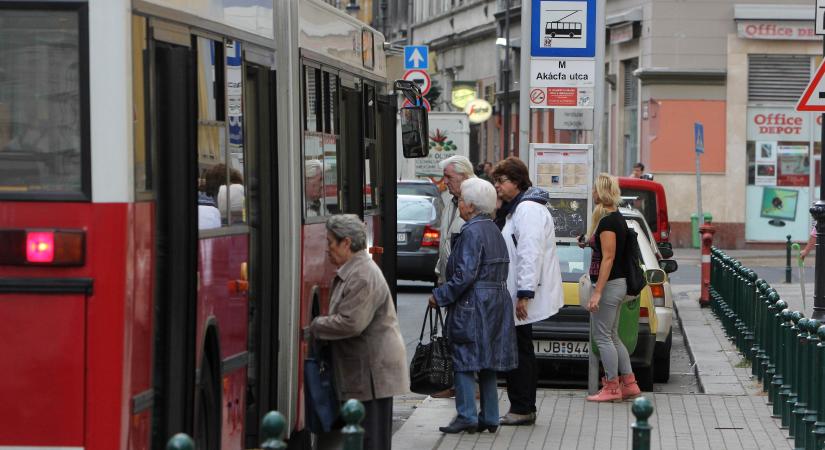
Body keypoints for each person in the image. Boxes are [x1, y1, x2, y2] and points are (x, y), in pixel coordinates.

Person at [309, 214, 409, 450]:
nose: (327, 249)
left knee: (370, 440)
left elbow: (352, 323)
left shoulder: (362, 274)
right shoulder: (354, 269)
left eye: (330, 242)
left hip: (371, 375)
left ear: (346, 243)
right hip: (363, 372)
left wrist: (316, 326)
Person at [427, 178, 518, 434]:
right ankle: (490, 416)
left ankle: (466, 414)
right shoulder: (493, 229)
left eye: (462, 201)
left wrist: (440, 295)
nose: (460, 204)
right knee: (487, 362)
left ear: (470, 205)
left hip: (473, 303)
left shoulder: (471, 232)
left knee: (464, 359)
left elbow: (465, 275)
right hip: (496, 303)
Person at [492, 157, 564, 425]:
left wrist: (524, 294)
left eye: (501, 181)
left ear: (517, 181)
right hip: (517, 291)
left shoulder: (527, 210)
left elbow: (529, 253)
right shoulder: (516, 209)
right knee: (520, 349)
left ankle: (522, 407)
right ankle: (522, 406)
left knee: (520, 352)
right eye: (495, 181)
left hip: (521, 294)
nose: (497, 186)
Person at [580, 173, 641, 402]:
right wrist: (587, 242)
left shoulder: (607, 222)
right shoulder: (616, 218)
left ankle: (612, 387)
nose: (593, 193)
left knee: (603, 336)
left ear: (601, 191)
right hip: (617, 284)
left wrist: (597, 292)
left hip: (609, 285)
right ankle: (629, 383)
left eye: (595, 189)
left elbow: (608, 258)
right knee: (613, 336)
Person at [432, 155, 477, 398]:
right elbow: (445, 241)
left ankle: (469, 386)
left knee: (464, 334)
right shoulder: (450, 201)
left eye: (449, 177)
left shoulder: (475, 199)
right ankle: (454, 382)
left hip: (465, 279)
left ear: (464, 175)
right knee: (450, 331)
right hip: (449, 277)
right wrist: (440, 273)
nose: (445, 181)